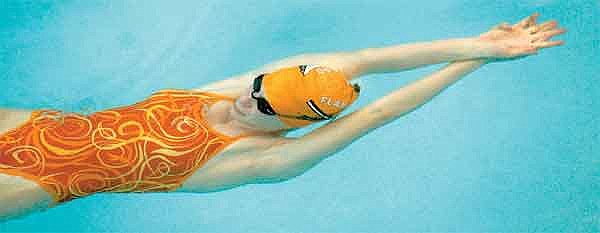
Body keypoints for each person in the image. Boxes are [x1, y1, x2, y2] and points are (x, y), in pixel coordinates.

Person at [0, 13, 565, 220]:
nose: (248, 100)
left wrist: (474, 65)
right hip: (38, 123)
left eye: (265, 107)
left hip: (42, 180)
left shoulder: (267, 158)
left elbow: (382, 112)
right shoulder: (241, 92)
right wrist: (476, 42)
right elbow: (371, 60)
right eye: (258, 87)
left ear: (289, 126)